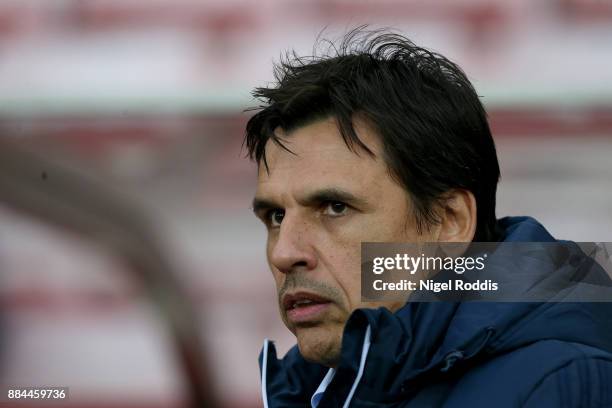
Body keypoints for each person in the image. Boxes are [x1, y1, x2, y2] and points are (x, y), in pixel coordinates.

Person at [243, 28, 612, 407]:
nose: (284, 252)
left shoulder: (562, 385)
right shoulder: (314, 387)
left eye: (335, 207)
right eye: (275, 216)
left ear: (449, 222)